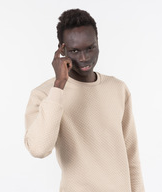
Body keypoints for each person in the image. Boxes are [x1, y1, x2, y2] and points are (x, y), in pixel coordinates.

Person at [24, 8, 145, 192]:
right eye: (74, 50)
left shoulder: (118, 89)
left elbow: (131, 155)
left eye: (90, 48)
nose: (84, 57)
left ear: (98, 43)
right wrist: (59, 85)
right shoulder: (45, 94)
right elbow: (39, 149)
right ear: (61, 49)